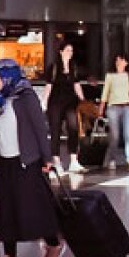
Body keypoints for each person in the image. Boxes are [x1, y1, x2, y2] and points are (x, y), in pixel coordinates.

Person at [0, 60, 65, 257]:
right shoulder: (1, 100)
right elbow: (0, 135)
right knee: (7, 209)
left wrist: (47, 158)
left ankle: (53, 244)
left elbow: (40, 129)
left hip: (27, 161)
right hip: (5, 162)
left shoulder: (26, 97)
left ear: (8, 76)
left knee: (35, 207)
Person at [97, 53, 129, 171]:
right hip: (113, 108)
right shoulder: (110, 76)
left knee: (128, 135)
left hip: (127, 107)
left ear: (126, 63)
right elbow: (105, 93)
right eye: (117, 60)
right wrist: (101, 108)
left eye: (121, 60)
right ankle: (112, 158)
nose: (118, 62)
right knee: (115, 136)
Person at [45, 42, 86, 175]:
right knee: (55, 131)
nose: (70, 53)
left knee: (73, 128)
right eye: (68, 50)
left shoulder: (73, 67)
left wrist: (83, 100)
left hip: (70, 102)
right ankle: (57, 162)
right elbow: (49, 85)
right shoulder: (54, 67)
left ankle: (73, 160)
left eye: (71, 51)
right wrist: (44, 102)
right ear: (61, 51)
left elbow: (76, 84)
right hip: (55, 103)